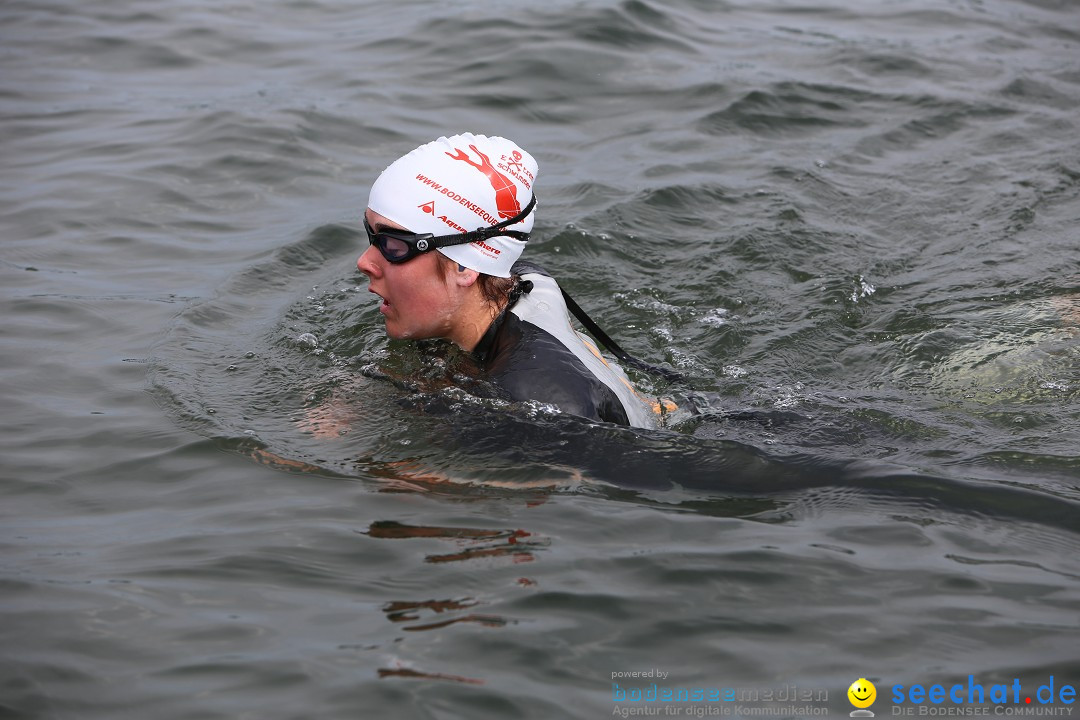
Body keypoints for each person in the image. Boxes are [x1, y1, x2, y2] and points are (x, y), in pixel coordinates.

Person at [356, 133, 660, 428]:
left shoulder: (537, 404)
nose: (364, 262)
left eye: (393, 245)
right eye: (372, 234)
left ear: (464, 266)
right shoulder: (518, 282)